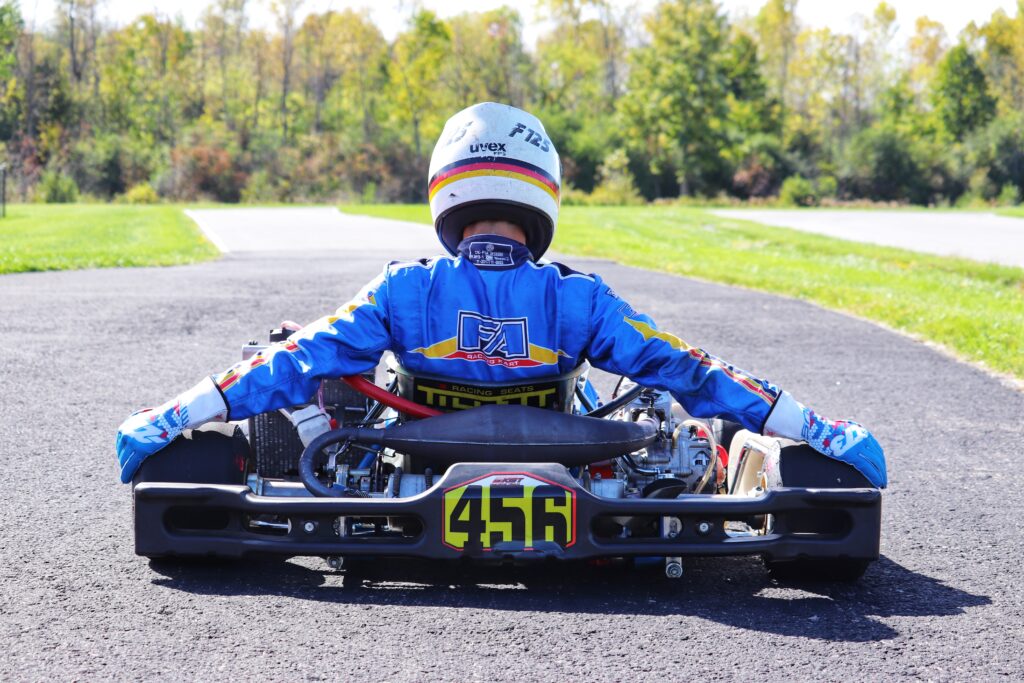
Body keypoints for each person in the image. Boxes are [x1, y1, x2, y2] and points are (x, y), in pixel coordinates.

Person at [116, 102, 886, 488]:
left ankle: (282, 451)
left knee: (298, 364)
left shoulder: (406, 288)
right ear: (543, 191)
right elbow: (692, 368)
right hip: (569, 464)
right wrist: (813, 424)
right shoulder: (579, 301)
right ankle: (733, 458)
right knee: (672, 411)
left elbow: (296, 358)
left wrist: (177, 411)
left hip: (407, 463)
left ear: (445, 189)